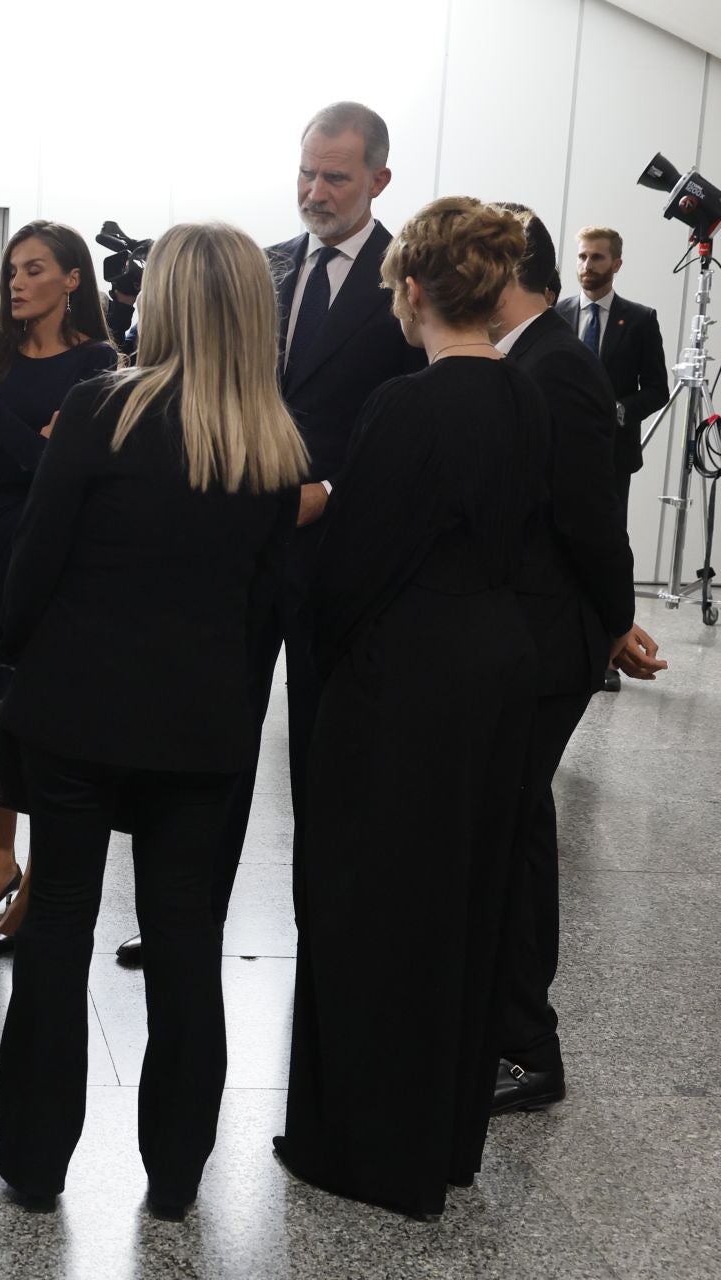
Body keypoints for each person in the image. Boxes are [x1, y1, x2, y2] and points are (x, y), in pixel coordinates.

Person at [0, 221, 306, 1218]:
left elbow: (34, 563)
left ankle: (38, 1167)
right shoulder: (272, 438)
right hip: (202, 725)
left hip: (78, 715)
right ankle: (174, 1176)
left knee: (57, 935)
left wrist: (15, 662)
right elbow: (264, 600)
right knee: (183, 944)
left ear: (158, 300)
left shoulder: (101, 408)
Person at [275, 197, 545, 1220]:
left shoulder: (403, 405)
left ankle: (364, 1149)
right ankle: (443, 1138)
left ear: (414, 287)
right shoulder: (523, 395)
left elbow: (350, 570)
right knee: (467, 898)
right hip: (497, 662)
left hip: (407, 679)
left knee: (371, 907)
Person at [121, 101, 424, 969]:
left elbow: (409, 428)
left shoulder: (407, 279)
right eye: (306, 172)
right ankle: (188, 921)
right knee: (216, 741)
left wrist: (334, 489)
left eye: (335, 176)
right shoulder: (264, 267)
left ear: (378, 180)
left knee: (325, 755)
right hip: (244, 543)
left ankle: (320, 929)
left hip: (342, 552)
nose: (315, 191)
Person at [489, 203, 666, 1116]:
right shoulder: (533, 353)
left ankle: (527, 1045)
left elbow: (591, 520)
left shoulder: (553, 364)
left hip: (548, 640)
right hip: (540, 631)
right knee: (512, 828)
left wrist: (611, 623)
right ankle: (509, 1030)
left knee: (518, 834)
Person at [0, 224, 119, 947]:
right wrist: (18, 433)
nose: (16, 282)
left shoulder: (97, 362)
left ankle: (39, 876)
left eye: (33, 269)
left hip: (53, 551)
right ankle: (1, 858)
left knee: (40, 708)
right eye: (12, 270)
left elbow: (56, 472)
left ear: (72, 279)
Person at [557, 226, 669, 511]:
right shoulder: (555, 315)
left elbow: (657, 391)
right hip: (557, 449)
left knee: (606, 544)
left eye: (597, 257)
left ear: (616, 264)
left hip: (613, 454)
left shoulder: (640, 321)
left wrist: (618, 411)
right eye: (582, 256)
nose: (587, 265)